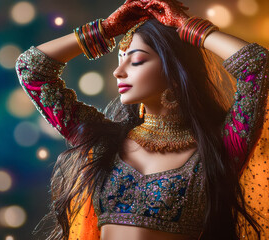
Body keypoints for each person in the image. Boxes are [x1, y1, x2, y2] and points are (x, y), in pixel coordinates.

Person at [15, 0, 269, 239]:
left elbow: (257, 64)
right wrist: (105, 30)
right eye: (119, 59)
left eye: (135, 60)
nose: (118, 71)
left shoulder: (218, 150)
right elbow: (31, 69)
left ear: (173, 68)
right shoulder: (103, 143)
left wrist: (188, 28)